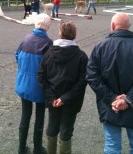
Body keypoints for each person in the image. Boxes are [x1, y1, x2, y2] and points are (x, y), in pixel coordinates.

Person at [86, 12, 133, 154]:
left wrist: (112, 98)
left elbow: (92, 76)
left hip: (110, 106)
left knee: (112, 146)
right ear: (129, 27)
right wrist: (127, 99)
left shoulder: (100, 47)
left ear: (112, 26)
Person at [38, 21, 88, 154]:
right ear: (74, 34)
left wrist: (52, 97)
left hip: (53, 99)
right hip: (71, 101)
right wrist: (65, 98)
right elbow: (82, 81)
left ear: (60, 33)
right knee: (66, 130)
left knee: (52, 126)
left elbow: (41, 76)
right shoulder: (81, 56)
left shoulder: (48, 53)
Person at [15, 13, 53, 154]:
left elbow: (17, 56)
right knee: (39, 117)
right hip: (39, 87)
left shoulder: (25, 39)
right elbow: (51, 67)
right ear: (47, 26)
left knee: (25, 116)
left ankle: (21, 147)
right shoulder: (48, 43)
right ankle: (37, 147)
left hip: (24, 84)